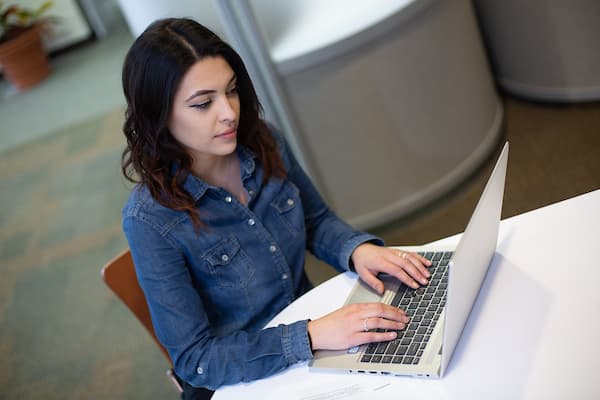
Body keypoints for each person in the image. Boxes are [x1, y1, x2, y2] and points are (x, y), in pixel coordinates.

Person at [120, 18, 432, 400]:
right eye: (203, 103)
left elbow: (315, 221)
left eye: (231, 91)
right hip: (247, 372)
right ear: (159, 115)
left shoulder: (264, 141)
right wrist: (311, 335)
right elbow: (196, 360)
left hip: (316, 334)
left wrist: (356, 249)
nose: (229, 113)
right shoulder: (151, 219)